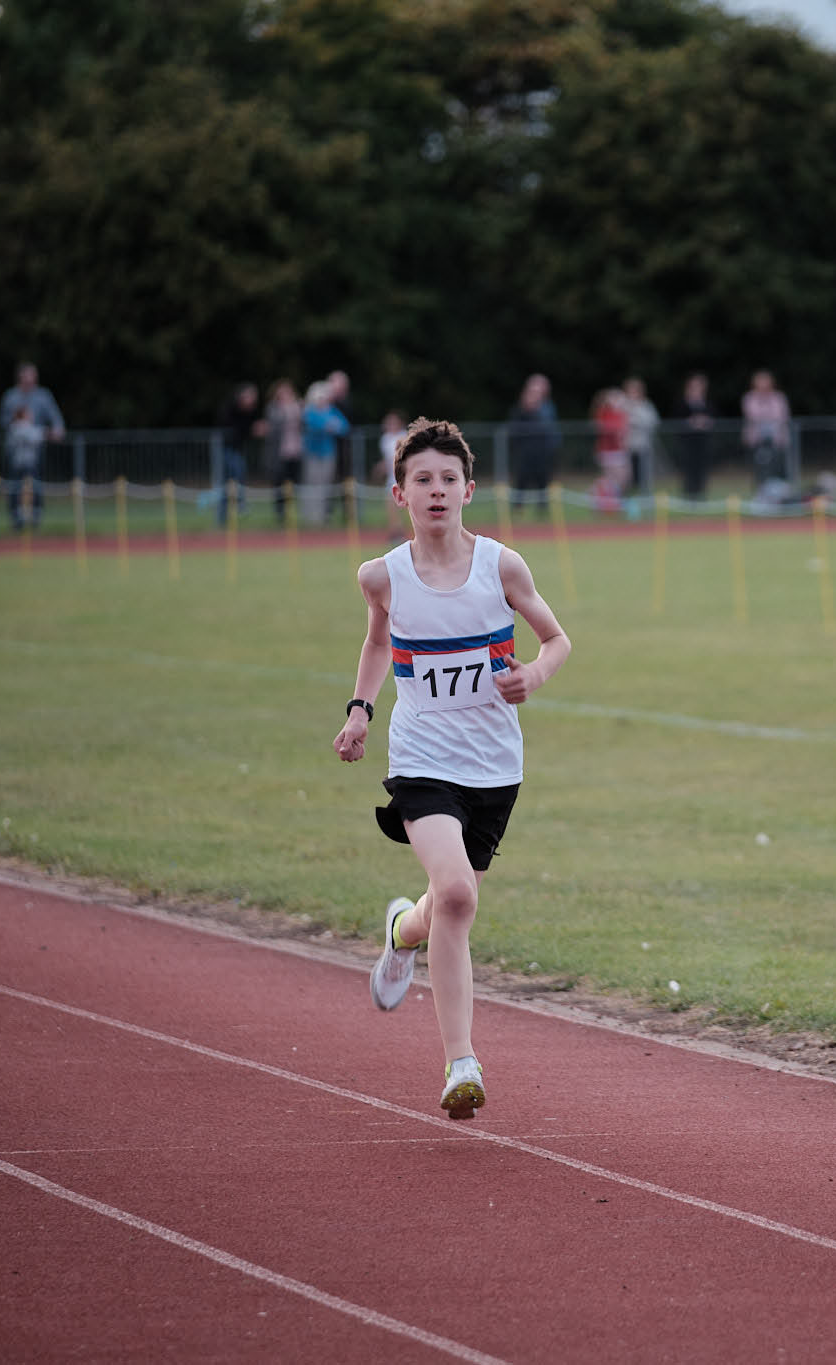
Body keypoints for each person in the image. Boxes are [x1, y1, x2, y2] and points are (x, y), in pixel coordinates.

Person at [333, 417, 572, 1120]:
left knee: (446, 901)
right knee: (460, 895)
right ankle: (460, 1062)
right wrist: (360, 711)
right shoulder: (382, 576)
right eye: (421, 480)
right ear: (400, 494)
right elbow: (378, 645)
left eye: (448, 479)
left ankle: (402, 932)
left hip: (494, 764)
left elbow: (557, 639)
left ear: (468, 490)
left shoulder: (503, 567)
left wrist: (534, 673)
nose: (435, 490)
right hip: (422, 758)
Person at [508, 373, 560, 516]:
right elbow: (515, 429)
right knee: (522, 479)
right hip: (525, 452)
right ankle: (518, 508)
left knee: (543, 479)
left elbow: (550, 429)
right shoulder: (520, 409)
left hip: (543, 452)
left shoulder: (548, 408)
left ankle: (542, 509)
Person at [301, 378, 348, 526]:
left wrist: (330, 425)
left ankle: (322, 516)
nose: (323, 400)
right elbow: (314, 423)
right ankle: (310, 516)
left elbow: (344, 427)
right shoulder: (309, 411)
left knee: (325, 484)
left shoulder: (332, 410)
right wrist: (328, 424)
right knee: (312, 484)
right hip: (312, 453)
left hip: (328, 453)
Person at [215, 382, 264, 527]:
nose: (252, 401)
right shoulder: (230, 409)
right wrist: (251, 429)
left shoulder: (250, 412)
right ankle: (235, 507)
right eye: (249, 397)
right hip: (226, 449)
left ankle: (233, 509)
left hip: (237, 450)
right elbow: (234, 429)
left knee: (233, 478)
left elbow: (247, 430)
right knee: (235, 473)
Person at [741, 368, 791, 496]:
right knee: (760, 468)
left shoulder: (779, 398)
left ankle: (779, 494)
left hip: (777, 441)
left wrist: (765, 416)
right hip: (757, 441)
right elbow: (753, 415)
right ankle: (760, 494)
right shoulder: (749, 398)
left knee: (777, 467)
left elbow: (781, 416)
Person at [264, 378, 304, 525]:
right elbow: (273, 427)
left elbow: (304, 423)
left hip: (296, 452)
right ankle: (280, 516)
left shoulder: (299, 406)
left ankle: (292, 514)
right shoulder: (272, 408)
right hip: (280, 454)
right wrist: (288, 412)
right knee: (279, 484)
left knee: (295, 483)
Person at [0, 362, 65, 442]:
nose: (30, 378)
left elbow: (56, 418)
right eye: (28, 375)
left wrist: (58, 429)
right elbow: (1, 421)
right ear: (20, 376)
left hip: (38, 444)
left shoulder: (43, 395)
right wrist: (15, 419)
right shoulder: (10, 396)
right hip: (14, 443)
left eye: (33, 375)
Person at [4, 402, 45, 529]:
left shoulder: (16, 428)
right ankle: (22, 518)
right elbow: (37, 437)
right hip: (23, 464)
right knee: (22, 490)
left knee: (26, 490)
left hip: (24, 464)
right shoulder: (18, 427)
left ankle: (26, 517)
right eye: (28, 413)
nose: (31, 415)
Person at [590, 387, 630, 514]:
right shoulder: (605, 413)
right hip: (608, 450)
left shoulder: (621, 414)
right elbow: (606, 429)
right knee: (613, 478)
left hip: (618, 450)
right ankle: (597, 497)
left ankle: (609, 502)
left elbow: (624, 433)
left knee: (621, 478)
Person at [677, 372, 714, 500]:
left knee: (702, 469)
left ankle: (701, 495)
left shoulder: (707, 403)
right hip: (687, 443)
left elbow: (713, 419)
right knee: (688, 469)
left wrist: (704, 422)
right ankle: (688, 495)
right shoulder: (683, 404)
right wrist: (691, 422)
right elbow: (678, 420)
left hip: (702, 443)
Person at [622, 376, 660, 498]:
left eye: (635, 390)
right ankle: (627, 498)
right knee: (626, 476)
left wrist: (635, 420)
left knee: (644, 474)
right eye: (630, 390)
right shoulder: (622, 404)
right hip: (626, 447)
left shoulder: (646, 405)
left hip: (643, 446)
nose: (633, 393)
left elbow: (653, 422)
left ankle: (644, 497)